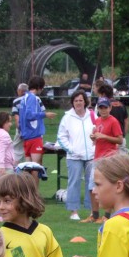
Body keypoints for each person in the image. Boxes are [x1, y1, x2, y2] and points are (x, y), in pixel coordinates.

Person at [56, 90, 95, 221]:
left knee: (92, 183)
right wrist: (71, 149)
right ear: (73, 102)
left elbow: (98, 130)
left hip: (91, 155)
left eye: (81, 100)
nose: (78, 103)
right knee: (74, 182)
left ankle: (92, 210)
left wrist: (95, 146)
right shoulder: (67, 117)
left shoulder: (92, 115)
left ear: (85, 102)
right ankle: (74, 211)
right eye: (76, 100)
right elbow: (61, 137)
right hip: (74, 156)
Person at [86, 97, 123, 223]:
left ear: (110, 108)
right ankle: (94, 215)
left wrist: (104, 136)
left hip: (109, 158)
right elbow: (97, 139)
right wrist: (93, 137)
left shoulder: (113, 121)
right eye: (101, 107)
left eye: (105, 107)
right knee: (92, 186)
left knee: (108, 185)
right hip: (97, 157)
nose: (103, 110)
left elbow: (120, 139)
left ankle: (106, 215)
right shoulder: (97, 121)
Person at [18, 76, 56, 165]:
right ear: (39, 87)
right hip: (34, 137)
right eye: (42, 87)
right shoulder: (32, 98)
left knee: (28, 169)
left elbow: (22, 118)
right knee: (35, 167)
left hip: (27, 137)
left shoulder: (24, 98)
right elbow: (29, 115)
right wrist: (45, 114)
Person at [96, 82, 129, 152]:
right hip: (120, 138)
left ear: (103, 94)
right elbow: (126, 121)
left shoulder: (103, 107)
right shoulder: (121, 105)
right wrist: (123, 135)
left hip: (109, 141)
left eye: (100, 95)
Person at [10, 82, 28, 164]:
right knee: (29, 152)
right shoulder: (35, 99)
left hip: (22, 128)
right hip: (34, 131)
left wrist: (20, 130)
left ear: (20, 91)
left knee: (16, 150)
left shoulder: (16, 101)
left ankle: (14, 170)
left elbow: (16, 117)